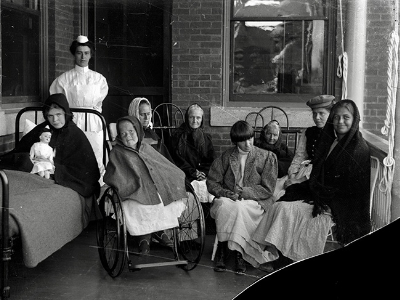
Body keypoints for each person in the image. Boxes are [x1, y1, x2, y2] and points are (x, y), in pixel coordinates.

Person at [252, 99, 371, 273]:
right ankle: (281, 257)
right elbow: (320, 171)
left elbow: (350, 190)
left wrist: (323, 200)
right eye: (336, 117)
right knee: (281, 203)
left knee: (288, 210)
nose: (340, 122)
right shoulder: (333, 140)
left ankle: (287, 262)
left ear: (355, 120)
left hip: (342, 206)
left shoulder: (358, 149)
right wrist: (308, 186)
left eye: (346, 117)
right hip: (325, 194)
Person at [103, 115, 190, 254]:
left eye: (131, 131)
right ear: (119, 135)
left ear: (138, 130)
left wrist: (175, 177)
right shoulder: (117, 152)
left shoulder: (146, 147)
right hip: (131, 192)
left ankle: (158, 232)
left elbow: (164, 166)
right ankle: (144, 236)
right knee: (138, 205)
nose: (128, 136)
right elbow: (113, 175)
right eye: (123, 133)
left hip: (153, 189)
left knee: (164, 200)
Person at [207, 120, 278, 274]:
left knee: (239, 207)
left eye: (250, 138)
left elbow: (268, 188)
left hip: (256, 201)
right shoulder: (226, 157)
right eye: (242, 140)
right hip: (230, 198)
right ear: (235, 141)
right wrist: (226, 193)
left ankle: (239, 252)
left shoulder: (266, 157)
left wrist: (244, 192)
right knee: (225, 205)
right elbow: (212, 182)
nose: (248, 143)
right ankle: (223, 248)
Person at [0, 93, 100, 199]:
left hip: (64, 181)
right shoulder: (41, 129)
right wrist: (30, 160)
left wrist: (56, 169)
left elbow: (87, 171)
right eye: (50, 116)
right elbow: (19, 152)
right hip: (35, 175)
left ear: (65, 113)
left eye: (58, 115)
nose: (55, 120)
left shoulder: (76, 134)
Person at [49, 35, 109, 184]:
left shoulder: (99, 79)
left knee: (95, 155)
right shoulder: (63, 79)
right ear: (74, 54)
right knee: (73, 156)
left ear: (91, 54)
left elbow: (98, 103)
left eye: (86, 53)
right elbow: (57, 102)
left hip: (93, 120)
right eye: (79, 52)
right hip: (72, 120)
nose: (83, 57)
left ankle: (97, 187)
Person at [284, 94, 336, 190]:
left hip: (318, 179)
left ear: (331, 114)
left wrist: (298, 181)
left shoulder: (335, 136)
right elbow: (299, 156)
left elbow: (325, 165)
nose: (317, 117)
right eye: (314, 113)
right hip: (302, 172)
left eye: (321, 113)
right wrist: (292, 176)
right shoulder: (308, 132)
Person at [171, 103, 215, 203]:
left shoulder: (206, 138)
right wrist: (193, 173)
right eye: (192, 117)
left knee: (210, 188)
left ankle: (205, 216)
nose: (195, 121)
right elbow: (177, 160)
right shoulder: (178, 137)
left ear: (202, 119)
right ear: (187, 118)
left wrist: (203, 172)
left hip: (202, 175)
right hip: (185, 174)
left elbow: (210, 160)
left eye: (198, 118)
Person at [128, 97, 174, 162]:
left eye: (148, 114)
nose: (146, 118)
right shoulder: (130, 134)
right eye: (142, 114)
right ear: (134, 113)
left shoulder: (150, 132)